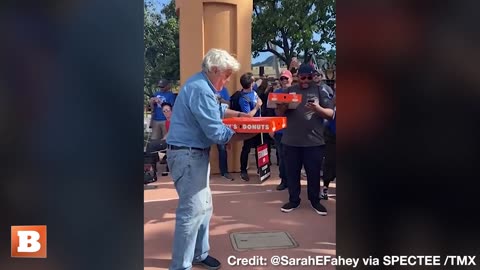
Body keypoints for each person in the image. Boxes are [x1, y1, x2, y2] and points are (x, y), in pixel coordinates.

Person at [165, 48, 257, 270]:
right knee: (191, 212)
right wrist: (251, 131)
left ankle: (199, 253)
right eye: (225, 75)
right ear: (215, 70)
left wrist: (240, 116)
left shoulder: (202, 84)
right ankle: (181, 266)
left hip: (193, 154)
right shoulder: (201, 89)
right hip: (188, 155)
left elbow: (218, 109)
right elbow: (216, 133)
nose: (226, 81)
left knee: (203, 208)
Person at [275, 64, 334, 216]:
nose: (306, 80)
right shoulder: (289, 90)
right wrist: (283, 106)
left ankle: (315, 201)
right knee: (292, 173)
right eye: (303, 77)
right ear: (298, 77)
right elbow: (279, 113)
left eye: (310, 77)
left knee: (313, 174)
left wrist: (318, 109)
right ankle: (294, 200)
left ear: (313, 76)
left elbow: (330, 113)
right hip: (291, 141)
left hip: (314, 142)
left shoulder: (321, 90)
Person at [238, 72, 263, 181]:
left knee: (260, 148)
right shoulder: (243, 98)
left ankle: (260, 169)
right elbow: (248, 116)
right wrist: (257, 107)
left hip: (258, 126)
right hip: (248, 127)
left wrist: (262, 78)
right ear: (250, 83)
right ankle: (243, 170)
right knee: (246, 149)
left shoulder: (253, 91)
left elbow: (260, 82)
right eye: (253, 81)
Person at [271, 70, 293, 190]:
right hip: (280, 130)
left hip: (293, 129)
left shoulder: (295, 92)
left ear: (291, 79)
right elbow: (271, 112)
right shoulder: (276, 93)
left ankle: (292, 180)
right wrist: (272, 128)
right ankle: (284, 180)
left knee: (293, 157)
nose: (284, 81)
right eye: (282, 79)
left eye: (286, 78)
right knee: (282, 156)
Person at [216, 86, 234, 181]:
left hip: (221, 123)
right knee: (204, 148)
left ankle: (224, 172)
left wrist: (220, 99)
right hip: (208, 122)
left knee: (222, 148)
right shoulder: (206, 88)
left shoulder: (223, 89)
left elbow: (228, 104)